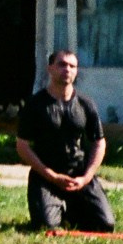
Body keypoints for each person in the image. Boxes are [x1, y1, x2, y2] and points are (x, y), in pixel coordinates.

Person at [18, 49, 116, 233]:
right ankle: (56, 208)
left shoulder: (86, 104)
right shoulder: (35, 104)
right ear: (50, 68)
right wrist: (51, 175)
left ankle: (72, 209)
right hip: (46, 176)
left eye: (72, 66)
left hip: (78, 174)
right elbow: (22, 145)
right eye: (62, 64)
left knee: (105, 225)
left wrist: (86, 177)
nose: (67, 69)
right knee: (46, 227)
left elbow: (99, 142)